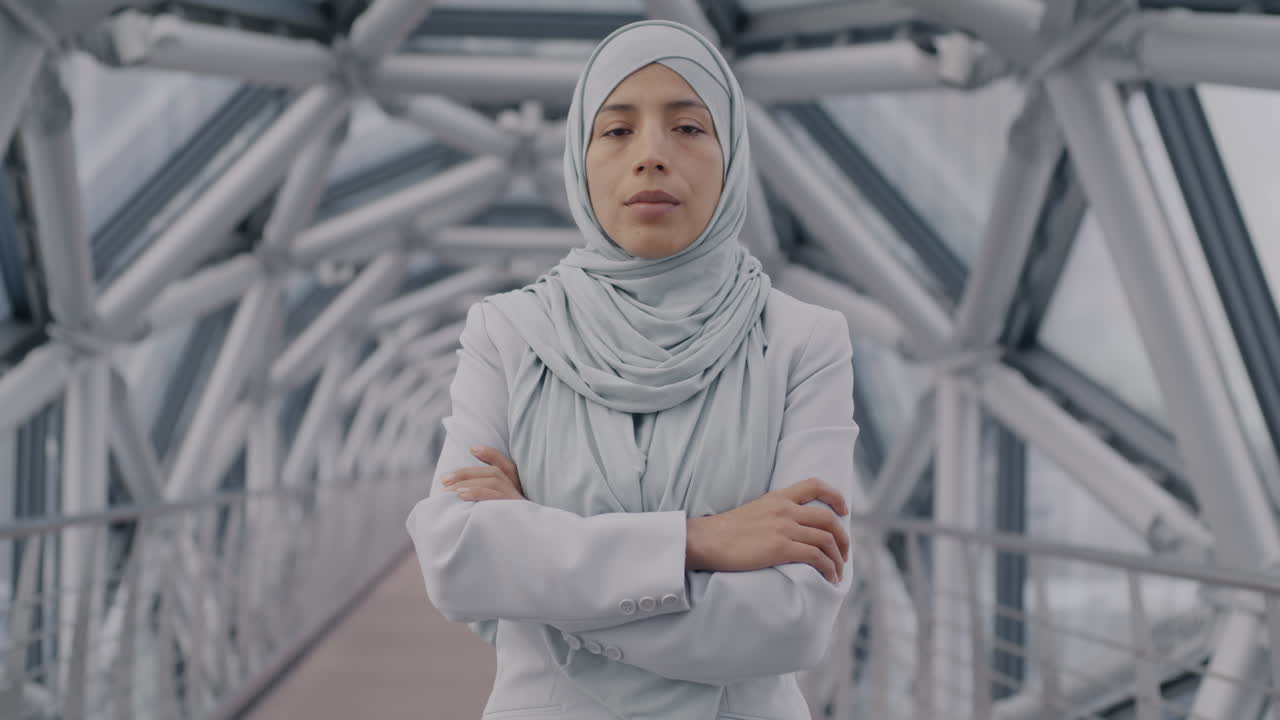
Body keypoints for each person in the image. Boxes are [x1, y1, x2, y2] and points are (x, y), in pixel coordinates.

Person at [405, 19, 859, 720]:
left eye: (687, 127)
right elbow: (456, 560)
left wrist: (539, 569)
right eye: (616, 130)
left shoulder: (803, 342)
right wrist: (702, 542)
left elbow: (794, 617)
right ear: (580, 158)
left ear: (733, 152)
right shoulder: (509, 333)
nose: (650, 155)